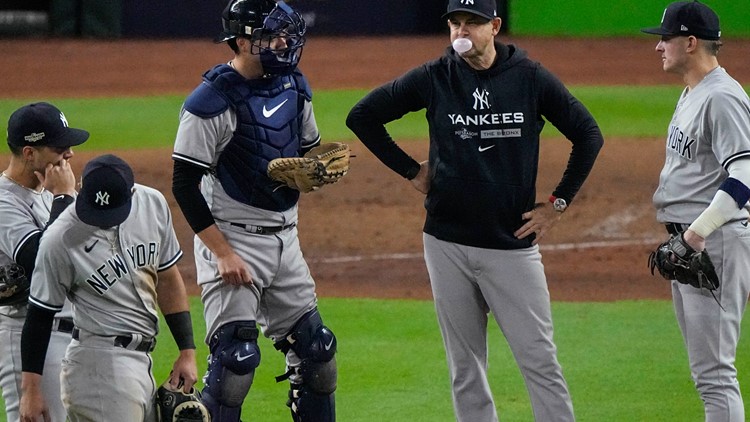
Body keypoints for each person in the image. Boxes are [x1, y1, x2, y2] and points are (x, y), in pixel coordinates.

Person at [346, 0, 604, 420]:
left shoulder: (530, 78)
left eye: (472, 22)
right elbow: (363, 115)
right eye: (455, 22)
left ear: (495, 27)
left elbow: (588, 134)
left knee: (539, 361)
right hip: (446, 243)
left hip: (511, 246)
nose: (461, 30)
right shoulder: (435, 76)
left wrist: (557, 204)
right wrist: (411, 170)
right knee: (465, 368)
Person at [171, 1, 337, 421]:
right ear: (242, 42)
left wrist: (314, 167)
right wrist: (222, 252)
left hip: (286, 237)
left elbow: (305, 151)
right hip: (233, 237)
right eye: (272, 36)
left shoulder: (294, 86)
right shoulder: (208, 103)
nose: (284, 43)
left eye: (286, 34)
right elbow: (184, 186)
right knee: (236, 360)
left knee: (318, 350)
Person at [18, 154, 198, 421]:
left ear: (132, 192)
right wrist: (30, 391)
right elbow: (39, 315)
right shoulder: (59, 238)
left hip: (140, 362)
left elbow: (168, 278)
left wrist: (187, 351)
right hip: (97, 367)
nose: (103, 220)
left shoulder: (152, 204)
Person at [641, 2, 750, 421]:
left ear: (690, 42)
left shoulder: (722, 97)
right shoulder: (694, 91)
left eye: (665, 38)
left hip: (713, 242)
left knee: (716, 375)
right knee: (707, 374)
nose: (658, 46)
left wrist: (696, 233)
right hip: (692, 240)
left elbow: (743, 172)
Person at [0, 102, 89, 422]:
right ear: (29, 153)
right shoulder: (4, 202)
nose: (69, 155)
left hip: (72, 331)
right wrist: (64, 198)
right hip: (27, 333)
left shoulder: (46, 191)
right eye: (59, 147)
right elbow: (40, 260)